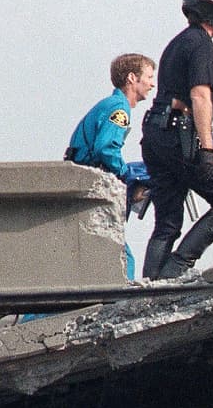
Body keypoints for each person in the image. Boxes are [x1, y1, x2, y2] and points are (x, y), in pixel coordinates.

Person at [140, 0, 213, 279]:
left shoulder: (176, 44)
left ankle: (147, 286)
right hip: (179, 137)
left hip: (155, 137)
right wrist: (207, 148)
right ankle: (177, 268)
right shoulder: (202, 46)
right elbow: (200, 96)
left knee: (168, 222)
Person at [65, 53, 156, 279]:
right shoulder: (119, 109)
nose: (153, 84)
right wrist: (126, 176)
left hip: (80, 182)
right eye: (149, 77)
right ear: (132, 78)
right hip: (89, 186)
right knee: (122, 259)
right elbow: (106, 149)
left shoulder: (111, 105)